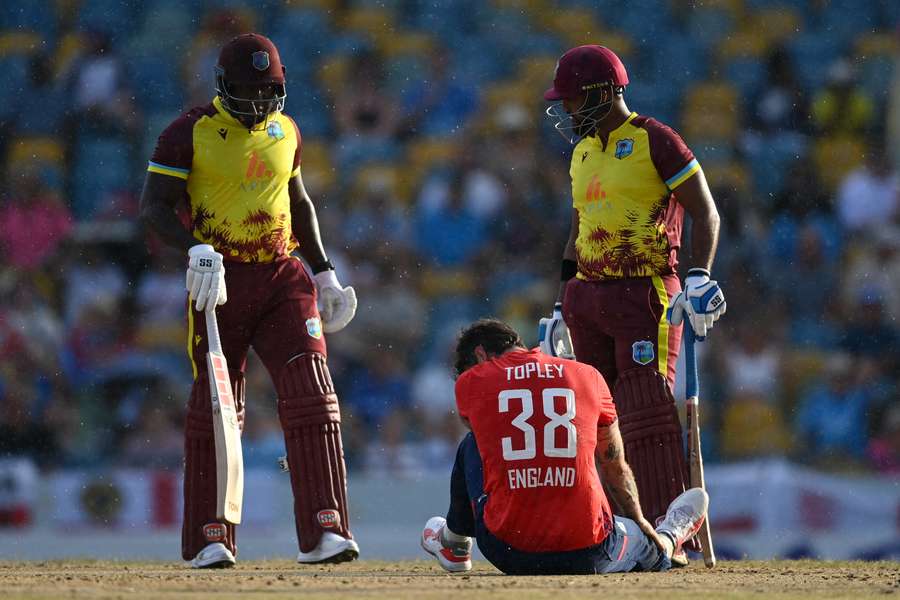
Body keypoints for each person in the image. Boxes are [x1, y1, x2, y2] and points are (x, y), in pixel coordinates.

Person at [140, 33, 359, 568]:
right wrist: (194, 248)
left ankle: (325, 530)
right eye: (247, 92)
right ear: (223, 87)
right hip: (218, 282)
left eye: (268, 92)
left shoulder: (286, 130)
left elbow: (298, 201)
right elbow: (152, 209)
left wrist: (325, 272)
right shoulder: (187, 133)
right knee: (219, 407)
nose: (259, 104)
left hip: (283, 276)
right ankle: (210, 537)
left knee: (313, 394)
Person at [538, 45, 725, 552]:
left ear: (602, 94)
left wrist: (699, 275)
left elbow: (705, 211)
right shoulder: (580, 152)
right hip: (586, 297)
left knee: (644, 405)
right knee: (598, 415)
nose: (566, 111)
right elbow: (577, 233)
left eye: (573, 100)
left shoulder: (654, 139)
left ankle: (670, 533)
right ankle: (620, 532)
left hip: (644, 290)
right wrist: (560, 303)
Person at [420, 318, 708, 575]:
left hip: (508, 551)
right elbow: (614, 466)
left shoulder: (472, 382)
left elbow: (490, 437)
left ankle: (455, 544)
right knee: (647, 548)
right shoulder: (589, 375)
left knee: (473, 442)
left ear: (480, 355)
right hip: (589, 552)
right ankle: (668, 537)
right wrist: (639, 522)